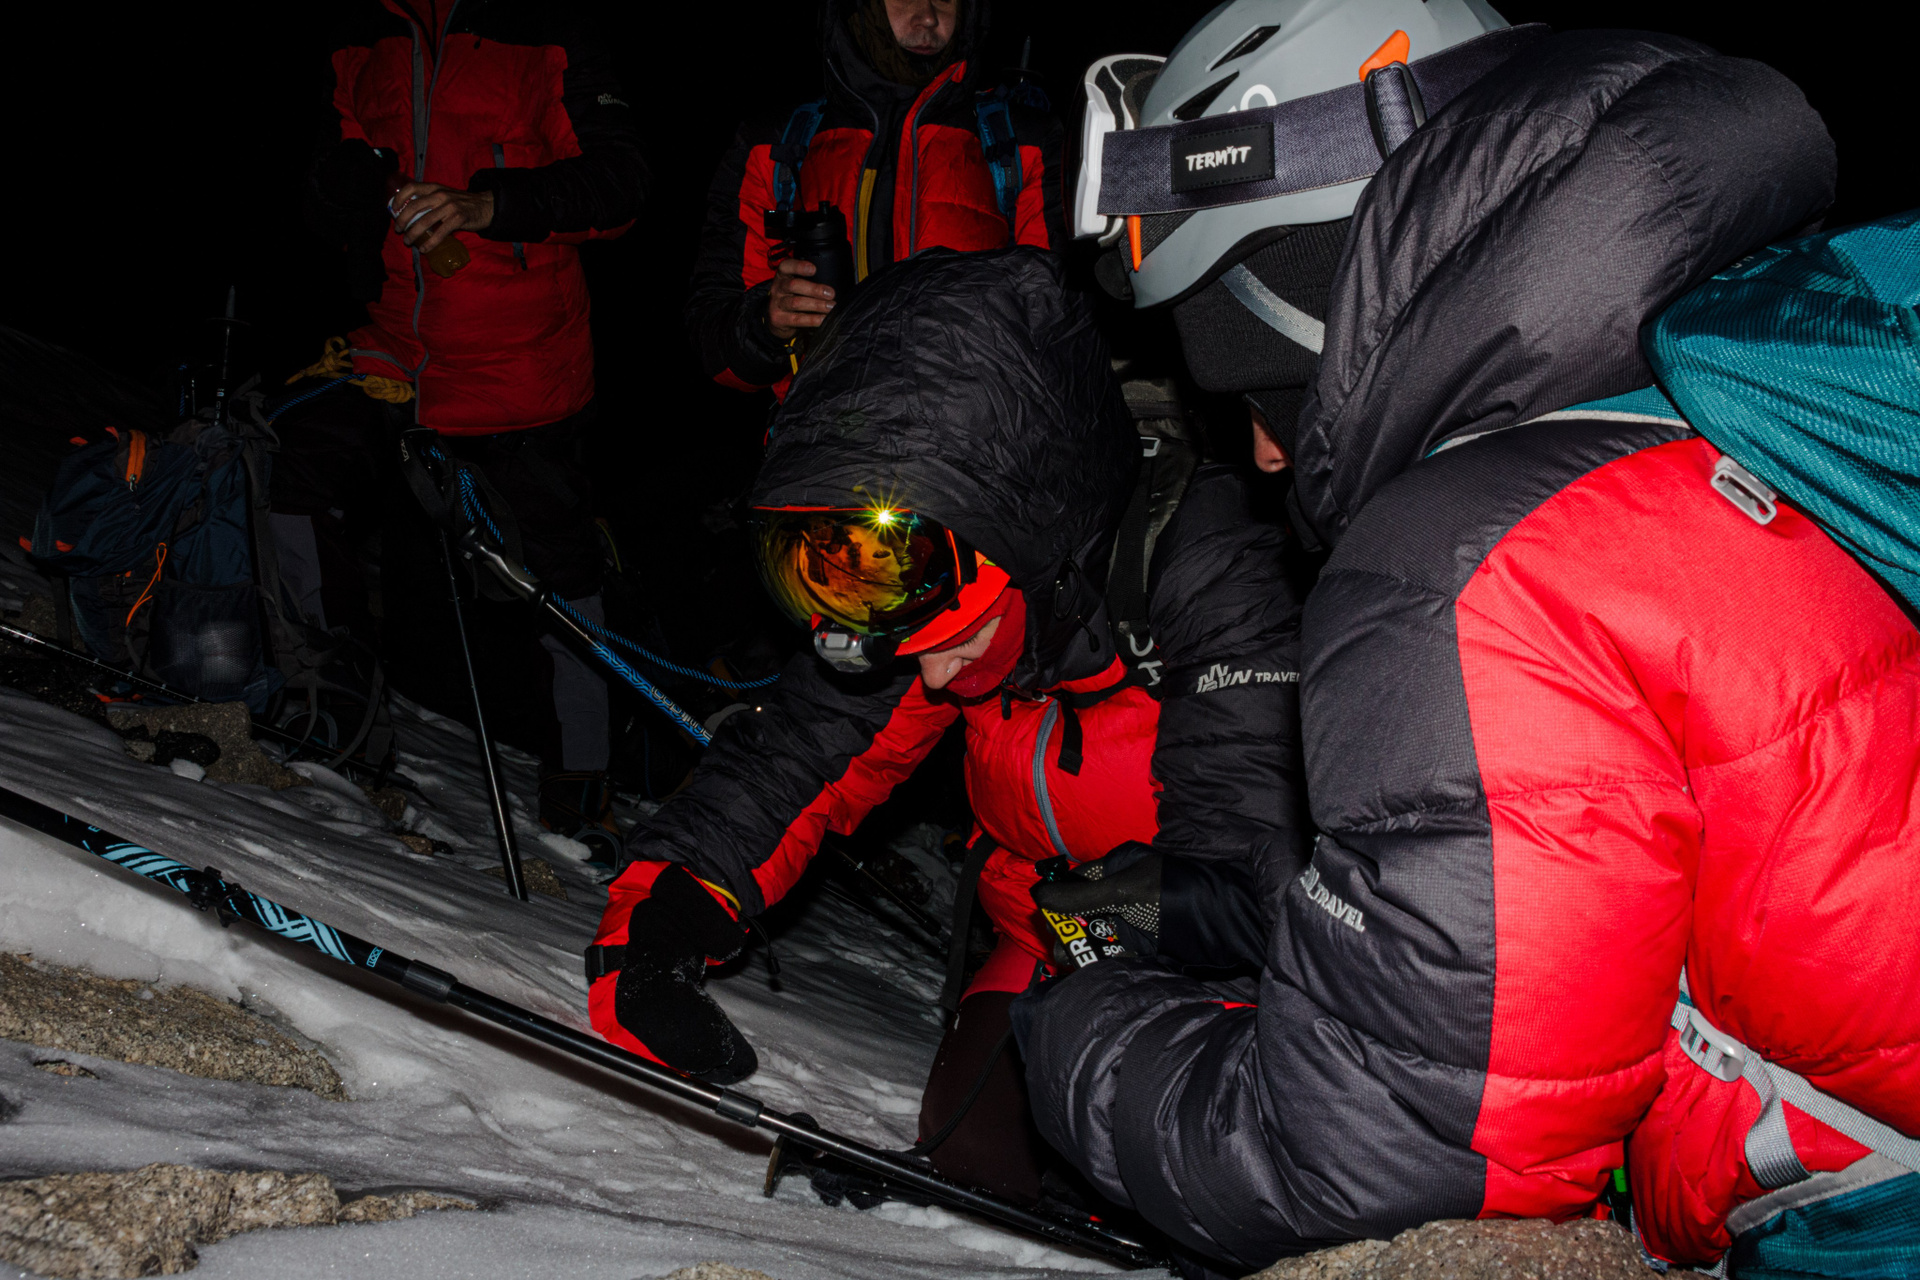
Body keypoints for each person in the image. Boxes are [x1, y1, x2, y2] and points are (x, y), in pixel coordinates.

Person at [1018, 2, 1920, 1276]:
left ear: (1318, 275)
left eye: (1254, 383)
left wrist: (1078, 1025)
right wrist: (1232, 911)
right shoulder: (1729, 383)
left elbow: (1367, 1170)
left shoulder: (1471, 559)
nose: (1266, 452)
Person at [586, 246, 1308, 1210]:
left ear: (1034, 549)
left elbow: (1256, 875)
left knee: (1172, 1152)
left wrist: (1112, 915)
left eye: (955, 643)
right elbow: (800, 759)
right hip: (1048, 934)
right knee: (984, 1156)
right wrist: (661, 918)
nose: (929, 677)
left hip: (1242, 961)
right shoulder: (930, 572)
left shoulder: (1212, 563)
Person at [286, 0, 646, 838]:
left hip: (520, 364)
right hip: (392, 350)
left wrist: (488, 205)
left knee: (558, 583)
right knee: (292, 469)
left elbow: (623, 184)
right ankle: (328, 715)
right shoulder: (360, 31)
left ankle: (580, 795)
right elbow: (323, 188)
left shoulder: (547, 27)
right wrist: (342, 186)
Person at [685, 0, 1064, 399]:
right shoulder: (775, 148)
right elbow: (716, 349)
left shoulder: (1024, 145)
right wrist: (768, 323)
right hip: (825, 432)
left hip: (977, 431)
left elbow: (1063, 335)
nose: (929, 16)